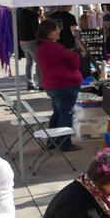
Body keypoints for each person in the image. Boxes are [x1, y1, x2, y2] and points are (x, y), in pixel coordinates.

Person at [34, 20, 83, 151]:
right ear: (48, 33)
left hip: (53, 85)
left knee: (58, 113)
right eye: (56, 30)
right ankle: (64, 143)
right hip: (63, 85)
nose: (58, 31)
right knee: (66, 114)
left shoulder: (42, 47)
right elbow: (73, 60)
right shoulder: (53, 47)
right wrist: (75, 53)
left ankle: (53, 142)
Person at [16, 6, 42, 91]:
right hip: (32, 41)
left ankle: (30, 83)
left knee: (29, 63)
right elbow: (37, 30)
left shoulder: (20, 13)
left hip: (22, 41)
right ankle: (41, 83)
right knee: (39, 63)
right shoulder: (32, 15)